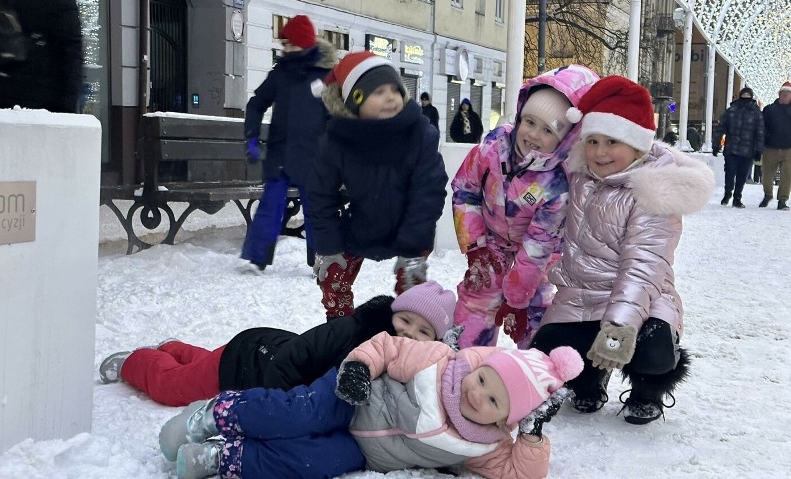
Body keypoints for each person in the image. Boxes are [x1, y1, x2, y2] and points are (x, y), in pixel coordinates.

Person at [528, 75, 715, 425]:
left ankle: (648, 390)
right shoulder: (578, 177)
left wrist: (619, 328)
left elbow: (644, 266)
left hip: (643, 301)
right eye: (593, 140)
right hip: (581, 296)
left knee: (652, 350)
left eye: (612, 141)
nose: (600, 152)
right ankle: (589, 380)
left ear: (637, 145)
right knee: (547, 354)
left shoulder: (654, 191)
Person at [158, 331, 583, 479]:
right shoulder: (439, 363)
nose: (477, 393)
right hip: (351, 396)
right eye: (485, 379)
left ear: (507, 420)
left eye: (493, 401)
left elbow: (520, 472)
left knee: (312, 462)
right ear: (482, 365)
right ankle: (217, 414)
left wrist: (531, 436)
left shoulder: (485, 446)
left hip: (362, 448)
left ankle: (222, 457)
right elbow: (388, 346)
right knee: (301, 414)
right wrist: (360, 367)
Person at [98, 281, 456, 407]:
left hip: (260, 351)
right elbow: (290, 361)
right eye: (405, 320)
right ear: (391, 314)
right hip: (250, 362)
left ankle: (174, 348)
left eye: (423, 331)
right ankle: (137, 361)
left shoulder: (411, 368)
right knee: (174, 386)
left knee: (203, 361)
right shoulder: (352, 331)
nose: (408, 333)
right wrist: (272, 408)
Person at [451, 64, 599, 349]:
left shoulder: (556, 185)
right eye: (529, 122)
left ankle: (535, 373)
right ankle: (463, 363)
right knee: (476, 301)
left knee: (535, 313)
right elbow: (464, 191)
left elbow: (537, 248)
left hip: (534, 259)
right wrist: (476, 245)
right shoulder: (491, 148)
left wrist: (516, 302)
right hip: (490, 245)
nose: (532, 134)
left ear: (565, 139)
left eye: (547, 130)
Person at [309, 52, 448, 318]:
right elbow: (320, 194)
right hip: (360, 227)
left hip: (410, 228)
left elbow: (428, 192)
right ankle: (340, 335)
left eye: (395, 89)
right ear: (355, 102)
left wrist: (412, 247)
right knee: (332, 277)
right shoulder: (336, 141)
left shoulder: (419, 133)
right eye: (378, 91)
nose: (390, 97)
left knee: (412, 286)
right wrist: (329, 245)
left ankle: (408, 337)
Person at [240, 15, 335, 272]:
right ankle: (257, 258)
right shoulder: (280, 74)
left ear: (303, 44)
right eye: (284, 44)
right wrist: (251, 135)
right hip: (280, 153)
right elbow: (256, 103)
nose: (285, 49)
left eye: (290, 44)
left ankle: (322, 260)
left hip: (313, 156)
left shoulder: (326, 77)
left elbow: (336, 116)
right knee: (270, 206)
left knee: (316, 212)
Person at [711, 87, 765, 208]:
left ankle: (737, 197)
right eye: (744, 95)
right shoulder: (731, 111)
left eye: (748, 96)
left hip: (747, 151)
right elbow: (721, 129)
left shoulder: (756, 114)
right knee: (729, 173)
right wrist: (716, 144)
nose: (745, 98)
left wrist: (758, 149)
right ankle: (728, 192)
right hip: (732, 149)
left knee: (742, 176)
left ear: (751, 97)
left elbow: (760, 132)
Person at [758, 81, 791, 211]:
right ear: (779, 95)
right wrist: (763, 140)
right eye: (782, 94)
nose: (784, 97)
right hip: (770, 147)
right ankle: (768, 195)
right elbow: (761, 127)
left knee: (787, 176)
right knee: (766, 175)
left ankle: (782, 200)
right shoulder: (770, 109)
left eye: (787, 94)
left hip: (789, 148)